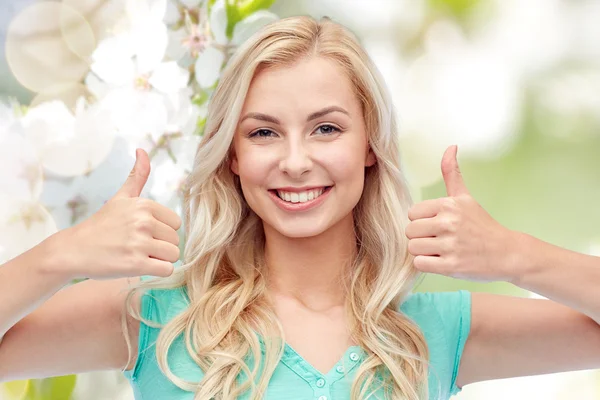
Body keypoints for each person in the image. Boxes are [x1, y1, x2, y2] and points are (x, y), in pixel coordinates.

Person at [1, 14, 599, 400]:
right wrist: (62, 254)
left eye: (326, 129)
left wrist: (514, 256)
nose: (294, 161)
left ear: (370, 146)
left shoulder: (433, 332)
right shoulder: (152, 319)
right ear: (231, 156)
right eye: (263, 133)